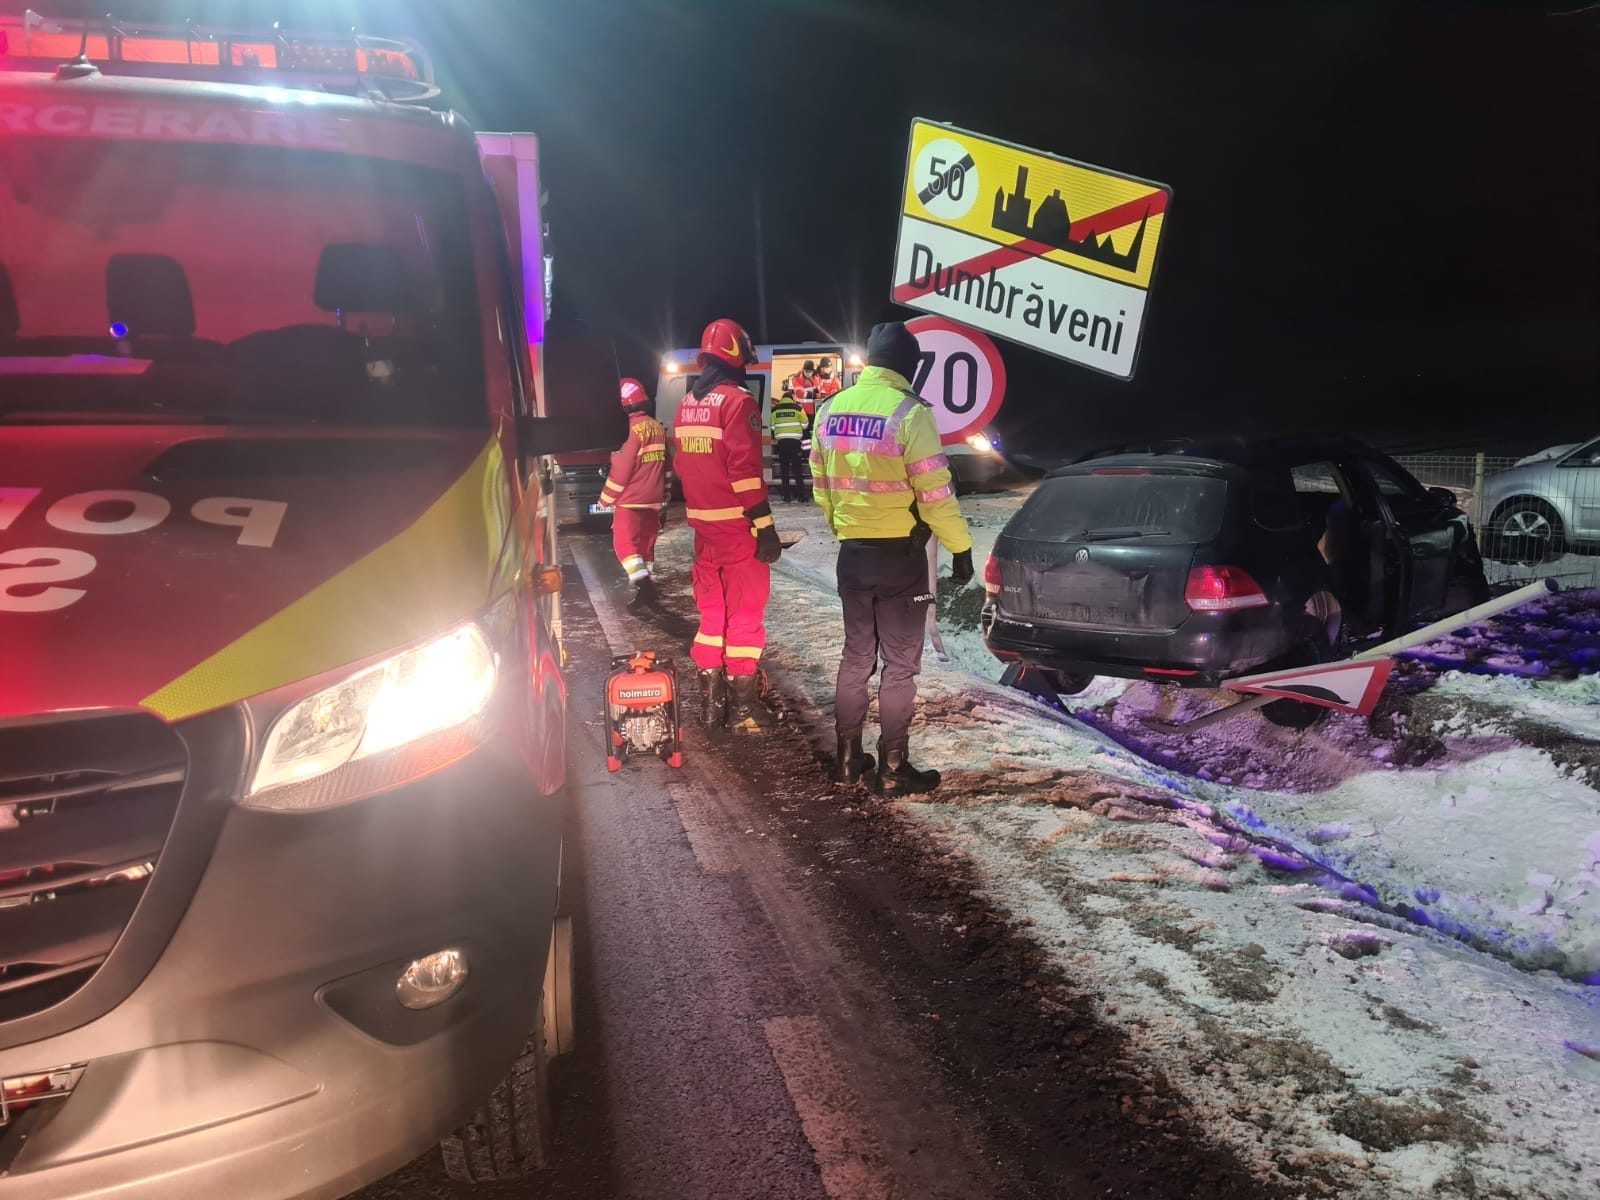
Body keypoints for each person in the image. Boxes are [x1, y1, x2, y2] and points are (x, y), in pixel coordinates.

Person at [810, 321, 974, 795]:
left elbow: (822, 486)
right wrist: (961, 548)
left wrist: (845, 528)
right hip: (901, 559)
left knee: (856, 656)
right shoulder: (910, 413)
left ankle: (847, 759)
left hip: (852, 556)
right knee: (900, 665)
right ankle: (893, 767)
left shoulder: (829, 410)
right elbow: (936, 494)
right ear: (909, 365)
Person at [672, 318, 784, 733]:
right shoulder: (738, 403)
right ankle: (742, 709)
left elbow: (684, 466)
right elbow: (745, 472)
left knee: (711, 614)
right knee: (745, 614)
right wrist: (765, 526)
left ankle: (710, 704)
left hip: (704, 531)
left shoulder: (687, 404)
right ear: (737, 354)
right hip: (738, 528)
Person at [597, 376, 668, 610]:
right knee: (646, 547)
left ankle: (644, 586)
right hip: (653, 502)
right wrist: (665, 496)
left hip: (630, 502)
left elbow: (621, 472)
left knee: (625, 546)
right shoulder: (656, 427)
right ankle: (648, 590)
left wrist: (605, 499)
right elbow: (666, 467)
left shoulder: (627, 431)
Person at [770, 387, 808, 503]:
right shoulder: (798, 408)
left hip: (782, 443)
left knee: (784, 470)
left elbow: (772, 427)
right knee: (797, 470)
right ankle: (801, 496)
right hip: (795, 443)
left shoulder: (775, 410)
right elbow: (805, 425)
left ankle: (786, 496)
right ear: (792, 399)